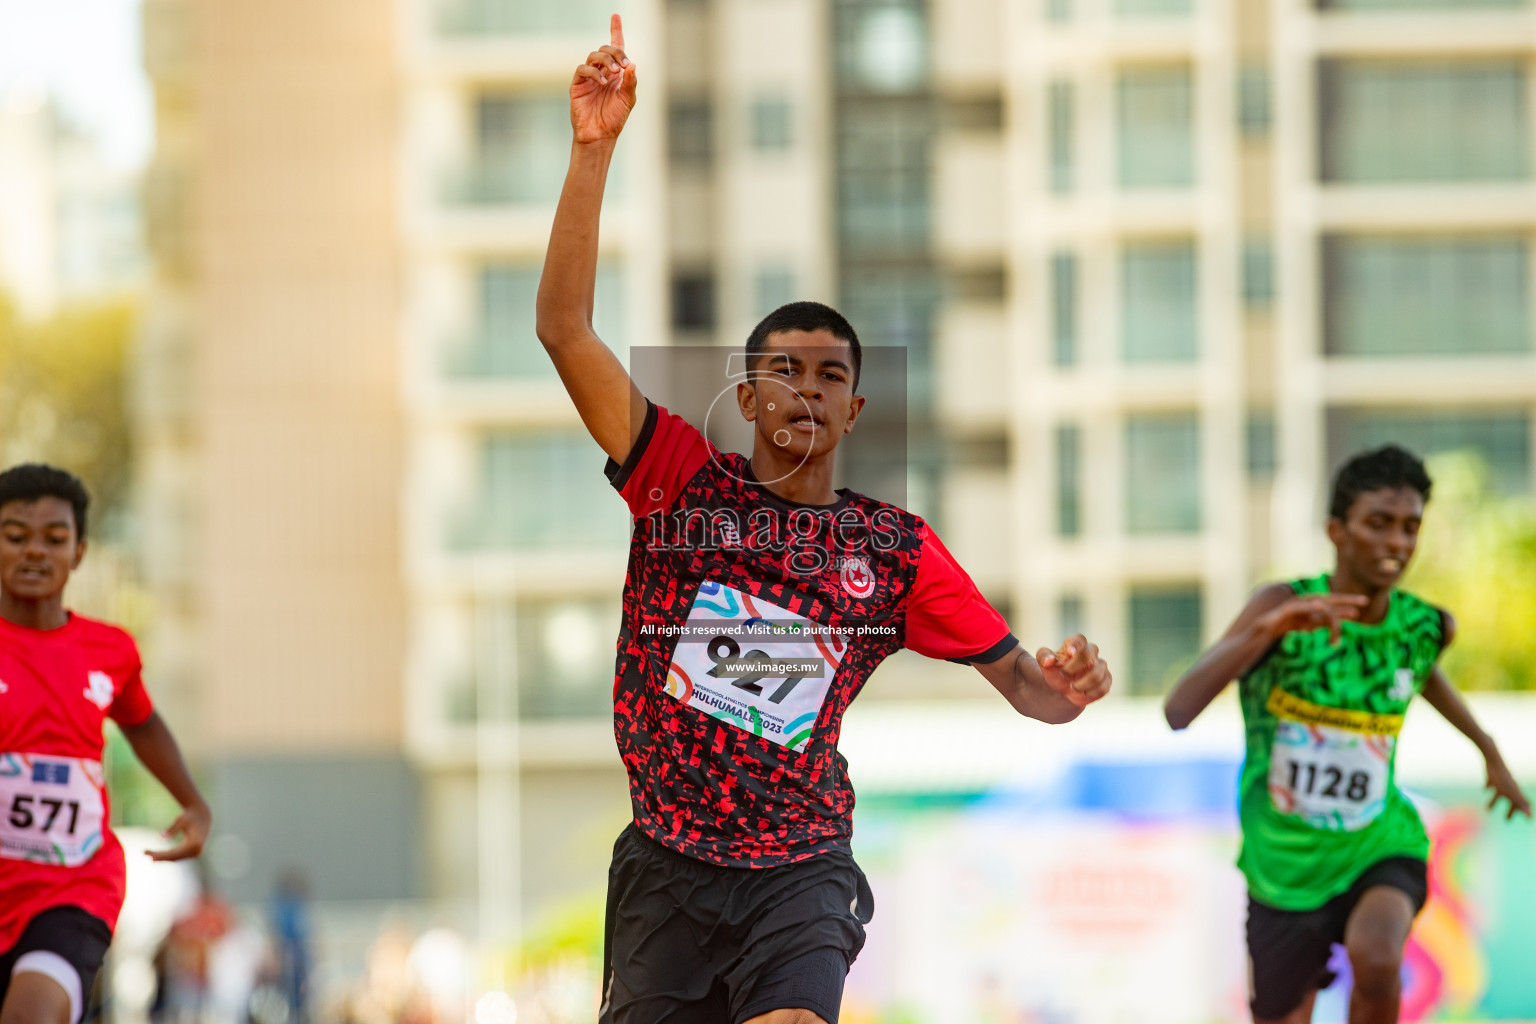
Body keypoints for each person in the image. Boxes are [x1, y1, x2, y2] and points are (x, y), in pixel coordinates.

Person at [536, 17, 1113, 1024]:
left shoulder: (892, 549)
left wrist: (1064, 686)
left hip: (798, 869)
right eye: (783, 372)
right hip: (667, 866)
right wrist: (594, 151)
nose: (807, 390)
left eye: (831, 375)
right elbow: (564, 328)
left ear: (855, 409)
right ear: (749, 398)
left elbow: (1026, 688)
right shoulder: (678, 476)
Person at [1163, 445, 1531, 1024]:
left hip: (1378, 844)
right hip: (1282, 868)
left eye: (1411, 527)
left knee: (1379, 958)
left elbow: (1425, 676)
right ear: (1337, 530)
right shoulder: (1282, 607)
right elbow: (1179, 710)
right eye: (1378, 524)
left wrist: (1489, 752)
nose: (1397, 544)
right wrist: (1269, 630)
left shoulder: (1423, 626)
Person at [0, 463, 212, 1024]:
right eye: (15, 537)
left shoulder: (108, 650)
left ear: (80, 552)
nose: (34, 553)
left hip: (73, 885)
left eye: (54, 538)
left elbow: (141, 721)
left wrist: (190, 800)